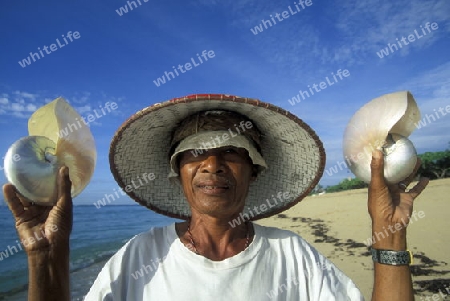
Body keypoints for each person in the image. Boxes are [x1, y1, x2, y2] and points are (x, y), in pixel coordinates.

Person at [3, 94, 429, 300]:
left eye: (232, 151)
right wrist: (47, 255)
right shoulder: (140, 255)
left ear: (254, 170)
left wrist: (388, 234)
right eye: (195, 154)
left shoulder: (293, 255)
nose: (212, 164)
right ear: (178, 171)